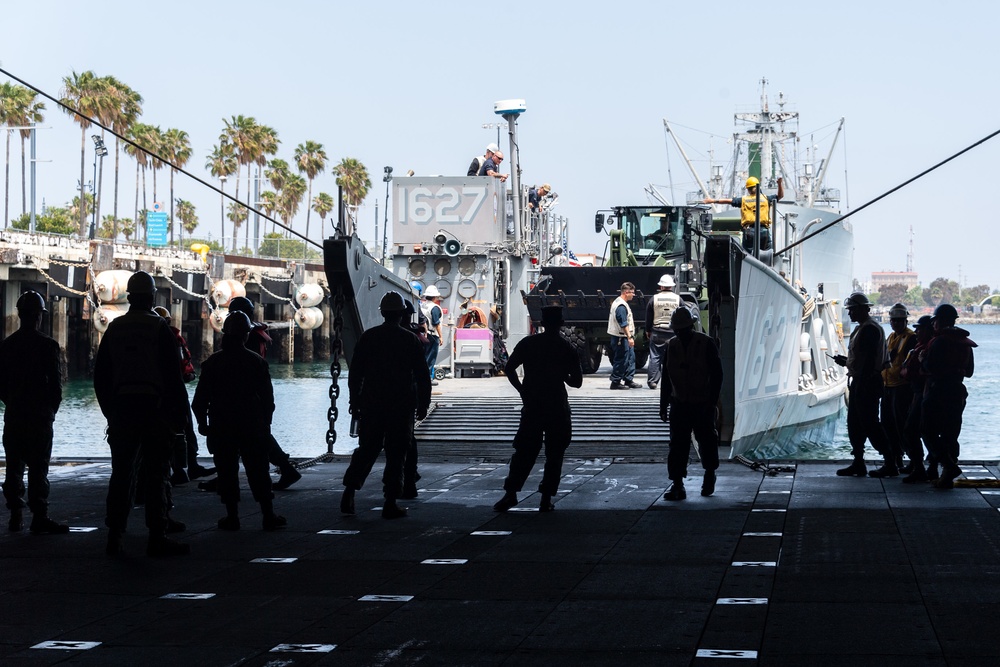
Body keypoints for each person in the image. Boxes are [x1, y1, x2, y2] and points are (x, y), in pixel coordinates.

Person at [94, 271, 191, 557]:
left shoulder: (115, 328)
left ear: (129, 297)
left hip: (123, 409)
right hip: (153, 409)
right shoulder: (159, 327)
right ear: (151, 297)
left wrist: (110, 413)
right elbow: (173, 378)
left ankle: (115, 535)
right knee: (157, 473)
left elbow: (101, 377)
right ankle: (157, 535)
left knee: (121, 474)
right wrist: (178, 417)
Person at [340, 292, 432, 519]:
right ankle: (390, 502)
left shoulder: (369, 337)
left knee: (367, 450)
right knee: (396, 453)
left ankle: (349, 492)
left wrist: (354, 400)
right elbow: (422, 376)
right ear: (401, 314)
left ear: (382, 313)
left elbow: (356, 373)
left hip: (372, 403)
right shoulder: (409, 340)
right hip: (401, 405)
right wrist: (423, 404)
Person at [191, 311, 286, 531]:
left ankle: (232, 517)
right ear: (246, 336)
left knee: (226, 471)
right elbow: (268, 400)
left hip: (221, 424)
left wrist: (202, 424)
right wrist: (265, 424)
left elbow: (199, 401)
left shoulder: (212, 363)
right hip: (251, 424)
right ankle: (268, 514)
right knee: (258, 469)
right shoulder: (256, 362)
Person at [494, 306, 583, 512]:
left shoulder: (528, 343)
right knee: (555, 453)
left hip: (533, 403)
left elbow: (509, 369)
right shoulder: (566, 348)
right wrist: (561, 374)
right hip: (557, 405)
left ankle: (511, 494)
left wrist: (522, 391)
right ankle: (545, 499)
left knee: (524, 450)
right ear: (561, 324)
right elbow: (576, 382)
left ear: (542, 324)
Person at [0, 291, 68, 535]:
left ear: (19, 315)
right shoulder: (48, 345)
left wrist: (13, 403)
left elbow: (1, 385)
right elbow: (56, 387)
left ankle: (15, 515)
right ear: (39, 316)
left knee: (14, 467)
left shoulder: (6, 346)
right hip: (39, 416)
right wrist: (50, 412)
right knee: (39, 468)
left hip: (15, 415)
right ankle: (39, 516)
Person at [227, 296, 301, 490]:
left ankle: (285, 468)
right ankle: (285, 468)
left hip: (244, 396)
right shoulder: (256, 334)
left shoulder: (246, 338)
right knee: (258, 434)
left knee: (250, 435)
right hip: (258, 394)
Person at [660, 307, 723, 500]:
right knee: (677, 445)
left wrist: (712, 402)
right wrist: (663, 404)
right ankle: (677, 484)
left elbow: (717, 375)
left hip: (702, 403)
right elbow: (666, 377)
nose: (681, 333)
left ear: (691, 326)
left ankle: (710, 474)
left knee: (707, 441)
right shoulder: (671, 346)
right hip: (680, 403)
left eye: (684, 329)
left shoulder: (706, 343)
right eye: (678, 331)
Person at [832, 292, 893, 478]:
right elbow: (861, 358)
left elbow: (868, 360)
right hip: (862, 380)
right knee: (855, 424)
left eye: (852, 309)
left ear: (862, 309)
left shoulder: (869, 329)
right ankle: (859, 462)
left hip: (867, 382)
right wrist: (848, 362)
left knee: (870, 424)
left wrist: (861, 381)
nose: (849, 313)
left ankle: (890, 462)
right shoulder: (863, 328)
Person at [152, 306, 215, 485]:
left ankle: (183, 467)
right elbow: (181, 365)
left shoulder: (150, 339)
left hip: (154, 392)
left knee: (167, 431)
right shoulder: (172, 338)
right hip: (174, 390)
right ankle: (187, 467)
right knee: (183, 428)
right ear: (169, 321)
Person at [921, 303, 977, 489]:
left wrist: (922, 359)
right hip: (957, 392)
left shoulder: (939, 341)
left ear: (939, 321)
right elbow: (969, 372)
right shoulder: (964, 343)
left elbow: (930, 367)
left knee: (927, 430)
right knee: (950, 434)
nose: (933, 325)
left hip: (938, 391)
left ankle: (948, 465)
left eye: (935, 321)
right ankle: (946, 475)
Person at [704, 176, 783, 254]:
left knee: (746, 255)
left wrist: (712, 200)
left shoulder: (743, 200)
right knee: (768, 254)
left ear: (748, 190)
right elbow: (780, 196)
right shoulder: (766, 199)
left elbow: (728, 201)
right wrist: (779, 184)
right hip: (764, 231)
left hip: (749, 231)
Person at [881, 303, 917, 473]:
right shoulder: (891, 337)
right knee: (887, 424)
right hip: (888, 386)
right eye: (893, 320)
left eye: (899, 320)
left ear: (905, 320)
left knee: (902, 425)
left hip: (902, 388)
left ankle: (912, 460)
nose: (895, 323)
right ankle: (896, 458)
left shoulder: (911, 337)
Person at [899, 315, 935, 483]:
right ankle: (928, 467)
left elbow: (922, 371)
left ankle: (920, 467)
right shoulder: (922, 347)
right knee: (929, 431)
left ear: (928, 330)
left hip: (924, 393)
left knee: (912, 430)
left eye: (919, 328)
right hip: (919, 392)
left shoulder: (927, 349)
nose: (916, 331)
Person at [644, 274, 681, 390]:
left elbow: (648, 317)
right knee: (674, 358)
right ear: (671, 286)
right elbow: (683, 315)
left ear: (660, 286)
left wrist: (648, 331)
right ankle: (674, 381)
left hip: (657, 331)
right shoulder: (678, 299)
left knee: (655, 357)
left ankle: (653, 382)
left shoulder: (653, 299)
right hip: (673, 333)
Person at [608, 282, 641, 389]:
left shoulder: (620, 302)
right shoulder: (621, 306)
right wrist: (629, 337)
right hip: (621, 338)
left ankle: (628, 379)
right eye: (632, 292)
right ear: (626, 292)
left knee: (631, 358)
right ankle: (615, 381)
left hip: (623, 337)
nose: (633, 295)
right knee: (621, 359)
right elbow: (623, 323)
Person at [420, 285, 444, 386]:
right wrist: (441, 336)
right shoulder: (435, 308)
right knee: (431, 357)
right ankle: (428, 378)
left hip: (423, 334)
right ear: (435, 297)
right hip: (433, 335)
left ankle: (422, 377)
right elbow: (436, 323)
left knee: (424, 356)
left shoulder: (422, 305)